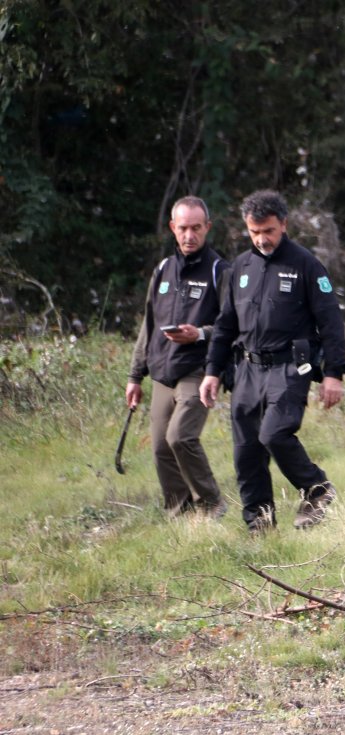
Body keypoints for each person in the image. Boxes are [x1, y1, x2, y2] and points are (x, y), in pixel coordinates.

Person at [199, 190, 345, 534]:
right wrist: (212, 371)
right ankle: (260, 525)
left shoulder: (307, 265)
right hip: (247, 369)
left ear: (283, 224)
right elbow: (225, 324)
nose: (261, 239)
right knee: (246, 451)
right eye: (254, 232)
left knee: (274, 433)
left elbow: (330, 322)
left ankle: (316, 489)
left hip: (290, 367)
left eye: (268, 230)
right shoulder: (239, 267)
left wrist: (334, 374)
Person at [126, 196, 229, 519]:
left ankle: (211, 505)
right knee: (160, 448)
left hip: (198, 369)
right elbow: (149, 324)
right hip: (161, 370)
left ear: (207, 228)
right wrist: (134, 376)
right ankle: (180, 514)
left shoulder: (218, 270)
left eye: (196, 228)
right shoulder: (162, 270)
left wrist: (199, 333)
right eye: (183, 228)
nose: (189, 235)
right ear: (173, 228)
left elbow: (232, 325)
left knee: (180, 437)